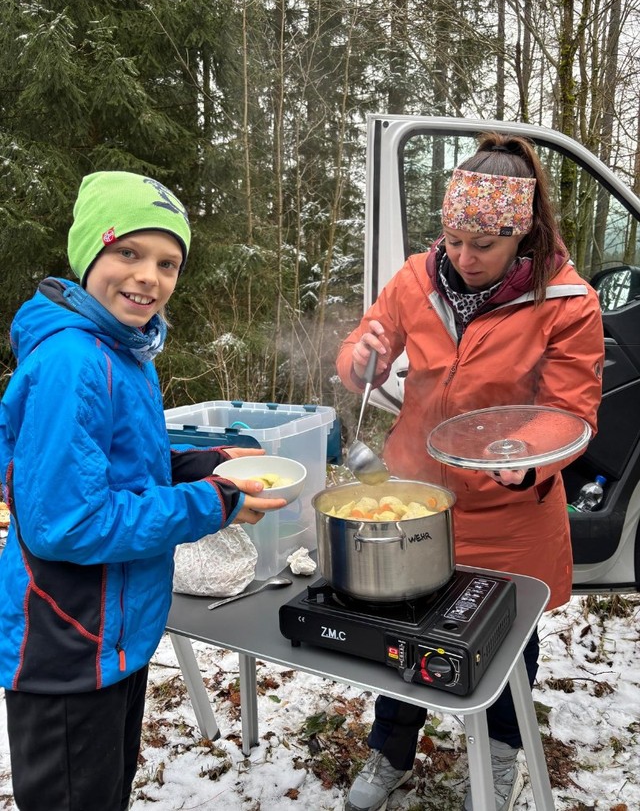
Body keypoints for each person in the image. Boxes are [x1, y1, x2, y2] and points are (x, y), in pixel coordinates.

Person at [0, 171, 287, 811]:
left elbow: (122, 465)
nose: (148, 276)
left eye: (167, 262)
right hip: (70, 641)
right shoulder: (74, 361)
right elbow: (68, 523)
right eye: (127, 252)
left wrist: (209, 461)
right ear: (88, 256)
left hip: (116, 637)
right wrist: (213, 502)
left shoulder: (123, 351)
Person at [336, 133, 604, 811]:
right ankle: (390, 747)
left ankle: (503, 747)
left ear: (522, 233)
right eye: (453, 238)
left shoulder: (568, 304)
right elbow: (362, 348)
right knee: (399, 625)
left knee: (508, 637)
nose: (461, 256)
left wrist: (527, 456)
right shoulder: (414, 280)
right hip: (415, 495)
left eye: (480, 245)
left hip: (512, 507)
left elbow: (571, 409)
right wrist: (361, 357)